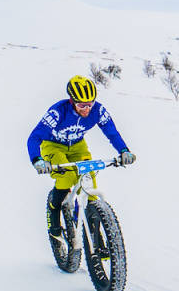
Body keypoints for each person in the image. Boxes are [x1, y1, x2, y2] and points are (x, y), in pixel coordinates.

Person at [26, 75, 136, 241]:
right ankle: (53, 210)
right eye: (81, 105)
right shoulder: (57, 112)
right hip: (53, 146)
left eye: (89, 104)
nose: (86, 109)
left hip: (78, 146)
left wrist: (124, 150)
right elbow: (34, 137)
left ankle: (90, 225)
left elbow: (111, 132)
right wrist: (37, 160)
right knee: (68, 175)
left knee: (88, 180)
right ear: (72, 101)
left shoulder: (98, 110)